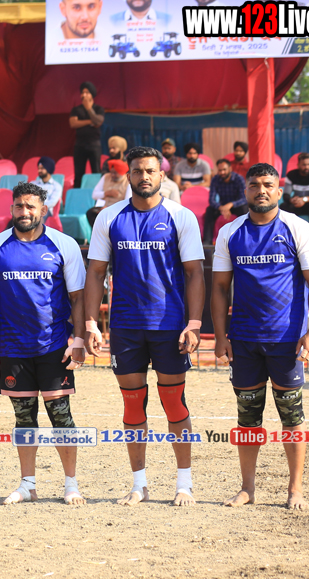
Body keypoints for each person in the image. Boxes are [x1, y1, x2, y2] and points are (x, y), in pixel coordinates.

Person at [83, 146, 205, 507]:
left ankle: (184, 484)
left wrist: (194, 323)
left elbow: (194, 273)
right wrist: (91, 322)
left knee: (174, 403)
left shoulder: (181, 216)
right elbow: (96, 273)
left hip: (169, 326)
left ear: (162, 176)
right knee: (133, 406)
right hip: (126, 326)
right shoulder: (109, 217)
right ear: (128, 176)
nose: (144, 177)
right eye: (137, 171)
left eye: (151, 171)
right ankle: (140, 485)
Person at [211, 162, 309, 510]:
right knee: (247, 417)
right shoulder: (229, 232)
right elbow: (220, 288)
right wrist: (220, 336)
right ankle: (247, 489)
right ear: (245, 191)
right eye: (254, 185)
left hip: (287, 340)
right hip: (244, 339)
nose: (261, 190)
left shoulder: (298, 228)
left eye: (267, 184)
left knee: (291, 415)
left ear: (279, 190)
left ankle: (295, 490)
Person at [0, 182, 88, 505]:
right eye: (19, 206)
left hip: (54, 346)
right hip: (13, 348)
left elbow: (78, 297)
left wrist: (78, 339)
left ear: (43, 210)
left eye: (31, 206)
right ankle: (28, 485)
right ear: (11, 209)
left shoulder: (63, 244)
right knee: (24, 419)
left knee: (61, 416)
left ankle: (71, 484)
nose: (24, 212)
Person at [203, 158, 248, 243]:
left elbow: (244, 198)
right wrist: (221, 208)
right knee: (209, 210)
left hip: (237, 206)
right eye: (220, 170)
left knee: (245, 209)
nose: (222, 172)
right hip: (222, 206)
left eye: (224, 170)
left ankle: (245, 238)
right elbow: (211, 199)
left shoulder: (239, 179)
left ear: (230, 169)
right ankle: (207, 241)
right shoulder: (215, 179)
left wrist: (230, 205)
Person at [70, 82, 105, 185]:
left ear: (92, 94)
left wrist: (89, 108)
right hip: (79, 145)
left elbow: (98, 121)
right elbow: (73, 123)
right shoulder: (76, 109)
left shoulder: (98, 109)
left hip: (94, 145)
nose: (84, 95)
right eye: (82, 92)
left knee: (96, 171)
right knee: (78, 173)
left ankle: (96, 193)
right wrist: (90, 122)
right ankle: (77, 192)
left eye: (87, 92)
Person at [279, 152, 309, 229]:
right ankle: (288, 231)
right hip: (296, 204)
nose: (306, 167)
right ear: (298, 165)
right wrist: (292, 200)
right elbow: (286, 195)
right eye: (304, 165)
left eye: (308, 164)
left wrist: (304, 199)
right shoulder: (291, 175)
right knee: (283, 206)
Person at [86, 159, 131, 226]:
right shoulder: (106, 177)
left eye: (115, 173)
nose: (112, 175)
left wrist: (110, 208)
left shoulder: (128, 182)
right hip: (103, 206)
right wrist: (106, 193)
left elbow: (127, 201)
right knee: (91, 213)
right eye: (111, 172)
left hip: (118, 209)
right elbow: (94, 195)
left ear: (121, 172)